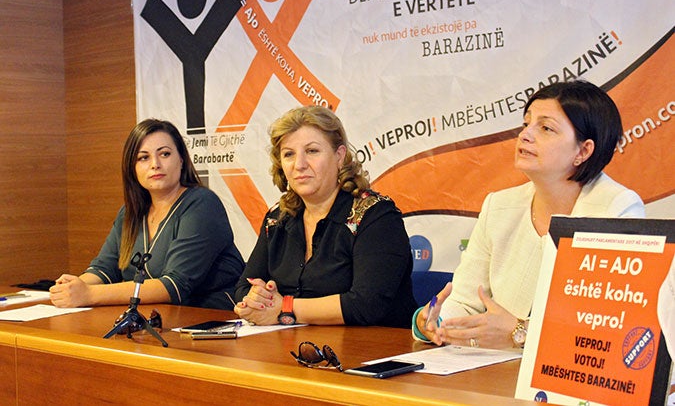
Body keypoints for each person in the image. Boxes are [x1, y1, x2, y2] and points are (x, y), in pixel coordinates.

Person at [413, 80, 645, 349]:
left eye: (545, 127)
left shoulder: (616, 208)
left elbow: (606, 326)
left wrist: (519, 333)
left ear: (583, 150)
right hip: (494, 374)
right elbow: (465, 302)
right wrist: (435, 322)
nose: (525, 135)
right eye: (526, 124)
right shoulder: (499, 207)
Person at [233, 106, 417, 328]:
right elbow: (244, 287)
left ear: (339, 156)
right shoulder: (277, 218)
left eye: (312, 151)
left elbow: (365, 304)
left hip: (374, 352)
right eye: (289, 154)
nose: (299, 164)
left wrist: (285, 308)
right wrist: (258, 300)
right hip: (293, 347)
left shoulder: (376, 216)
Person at [49, 119, 245, 310]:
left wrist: (89, 295)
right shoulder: (130, 212)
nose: (155, 164)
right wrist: (74, 287)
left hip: (208, 319)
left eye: (165, 154)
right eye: (144, 158)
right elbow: (105, 268)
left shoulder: (202, 204)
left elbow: (174, 286)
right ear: (132, 168)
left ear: (182, 160)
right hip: (154, 319)